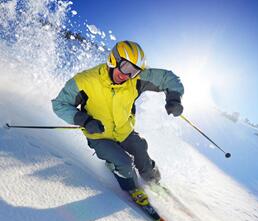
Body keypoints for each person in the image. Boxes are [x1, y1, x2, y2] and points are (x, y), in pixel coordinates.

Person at [52, 40, 184, 206]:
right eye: (126, 68)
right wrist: (83, 120)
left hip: (124, 131)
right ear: (113, 60)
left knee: (142, 152)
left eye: (134, 71)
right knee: (125, 164)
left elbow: (168, 77)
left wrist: (174, 98)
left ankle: (153, 181)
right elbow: (59, 104)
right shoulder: (84, 81)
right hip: (99, 135)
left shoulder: (135, 80)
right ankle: (132, 188)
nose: (127, 75)